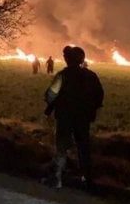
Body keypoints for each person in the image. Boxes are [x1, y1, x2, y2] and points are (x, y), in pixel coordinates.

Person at [44, 46, 104, 189]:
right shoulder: (91, 76)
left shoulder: (62, 76)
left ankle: (58, 177)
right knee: (83, 146)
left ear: (67, 60)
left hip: (65, 117)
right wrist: (92, 110)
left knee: (62, 147)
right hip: (83, 118)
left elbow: (50, 96)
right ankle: (87, 178)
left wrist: (50, 106)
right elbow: (99, 95)